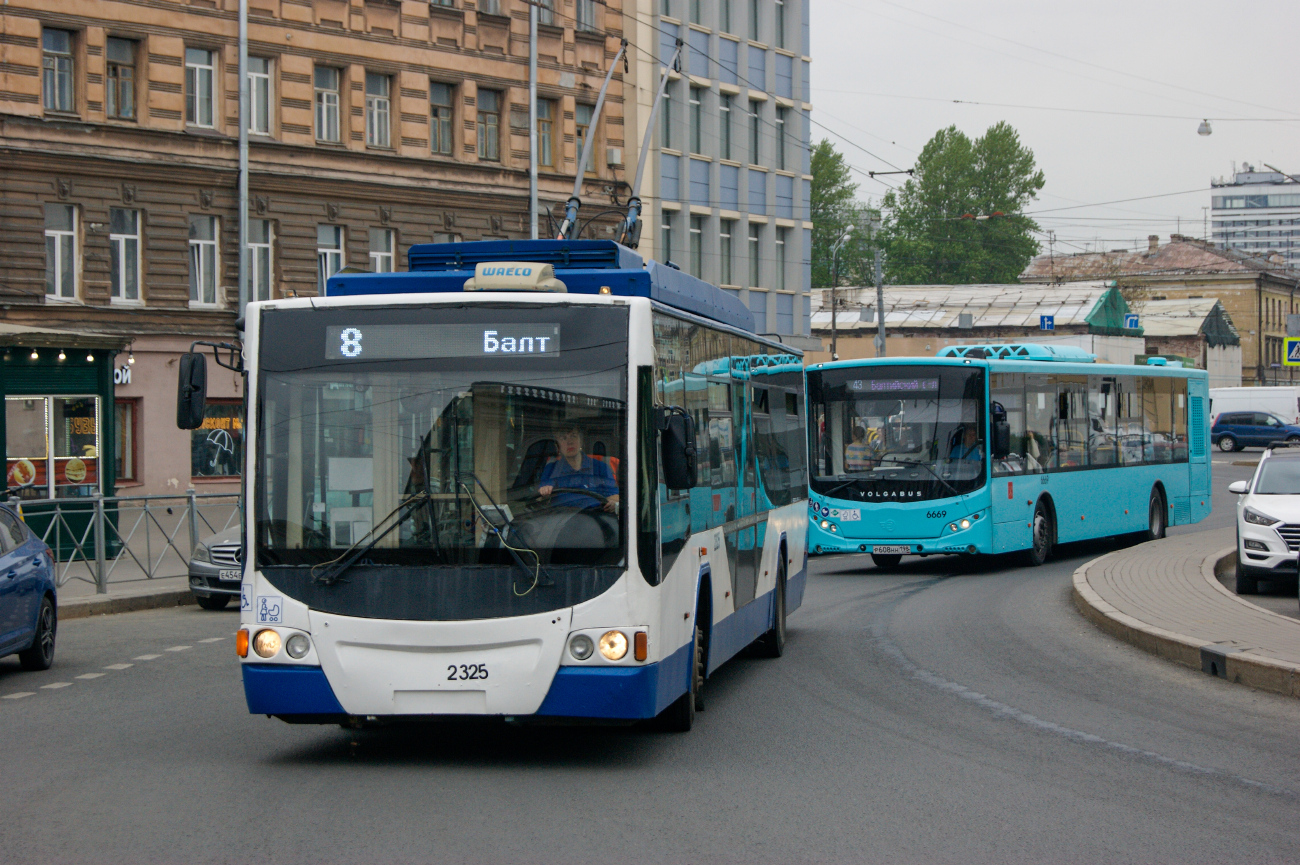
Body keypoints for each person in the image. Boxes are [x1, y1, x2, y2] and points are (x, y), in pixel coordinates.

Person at [538, 424, 620, 512]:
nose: (569, 442)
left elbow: (615, 496)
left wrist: (612, 503)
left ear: (581, 441)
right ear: (557, 446)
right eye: (563, 438)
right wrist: (544, 492)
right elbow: (541, 496)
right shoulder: (551, 469)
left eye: (573, 436)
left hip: (595, 519)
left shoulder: (601, 467)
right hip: (562, 519)